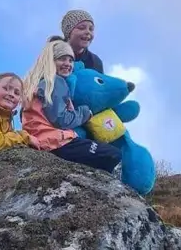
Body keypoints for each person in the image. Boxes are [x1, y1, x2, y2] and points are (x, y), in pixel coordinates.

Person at [20, 36, 121, 172]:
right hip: (56, 143)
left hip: (41, 140)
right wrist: (84, 113)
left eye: (71, 60)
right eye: (62, 59)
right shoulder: (56, 82)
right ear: (50, 61)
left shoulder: (35, 85)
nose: (68, 63)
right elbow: (61, 120)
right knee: (113, 154)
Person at [61, 9, 104, 74]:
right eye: (81, 28)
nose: (88, 32)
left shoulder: (95, 61)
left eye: (91, 29)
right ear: (68, 32)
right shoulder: (52, 54)